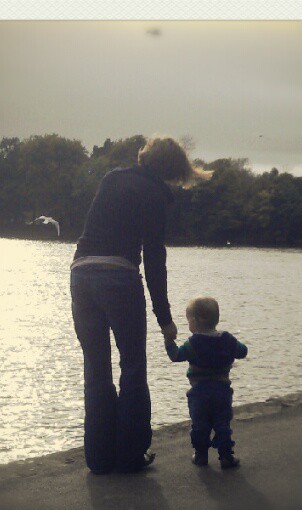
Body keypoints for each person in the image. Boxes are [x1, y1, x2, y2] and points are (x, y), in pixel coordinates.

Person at [71, 136, 212, 474]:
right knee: (132, 369)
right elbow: (154, 261)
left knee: (96, 369)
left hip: (80, 273)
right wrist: (165, 319)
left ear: (145, 157)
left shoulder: (111, 178)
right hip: (119, 276)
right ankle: (130, 455)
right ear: (172, 170)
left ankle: (99, 459)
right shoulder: (157, 196)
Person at [165, 296, 248, 469]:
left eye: (188, 320)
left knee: (199, 426)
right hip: (222, 390)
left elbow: (176, 356)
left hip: (199, 392)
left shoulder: (193, 343)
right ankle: (226, 456)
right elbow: (242, 351)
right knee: (222, 424)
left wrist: (168, 341)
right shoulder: (227, 339)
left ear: (196, 320)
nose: (188, 324)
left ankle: (201, 455)